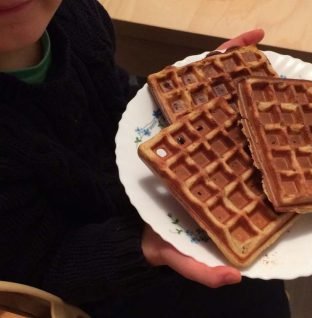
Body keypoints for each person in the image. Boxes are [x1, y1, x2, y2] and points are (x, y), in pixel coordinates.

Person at [0, 0, 290, 317]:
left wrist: (188, 99)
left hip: (150, 203)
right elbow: (40, 267)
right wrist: (145, 247)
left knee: (260, 276)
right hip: (98, 279)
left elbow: (110, 102)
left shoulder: (76, 14)